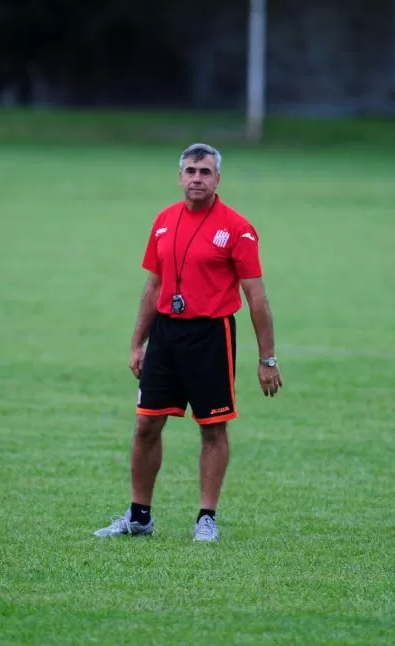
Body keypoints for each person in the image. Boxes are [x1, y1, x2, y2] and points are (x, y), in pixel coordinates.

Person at [94, 143, 283, 542]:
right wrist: (137, 343)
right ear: (180, 176)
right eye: (191, 171)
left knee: (212, 428)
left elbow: (257, 298)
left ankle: (206, 518)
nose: (198, 178)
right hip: (166, 334)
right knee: (146, 423)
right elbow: (153, 286)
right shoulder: (163, 221)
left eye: (206, 172)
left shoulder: (237, 228)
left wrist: (268, 358)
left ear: (218, 179)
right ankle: (139, 516)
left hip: (211, 336)